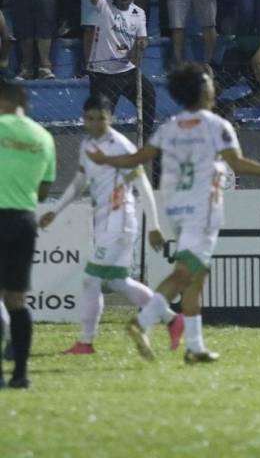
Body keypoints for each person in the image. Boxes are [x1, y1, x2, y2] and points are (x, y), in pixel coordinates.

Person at [87, 64, 260, 364]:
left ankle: (195, 347)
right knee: (185, 273)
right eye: (208, 82)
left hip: (178, 209)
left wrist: (106, 159)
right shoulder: (217, 126)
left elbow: (139, 157)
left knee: (196, 278)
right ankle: (141, 323)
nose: (213, 85)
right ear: (202, 90)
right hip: (203, 209)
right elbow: (239, 164)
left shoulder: (170, 126)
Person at [39, 95, 184, 355]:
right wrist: (56, 210)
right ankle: (173, 319)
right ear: (84, 119)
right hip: (106, 222)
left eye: (101, 119)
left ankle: (85, 341)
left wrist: (153, 225)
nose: (95, 124)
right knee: (118, 281)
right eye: (90, 118)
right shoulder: (86, 144)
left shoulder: (121, 147)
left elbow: (143, 186)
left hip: (120, 222)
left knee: (90, 280)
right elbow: (79, 183)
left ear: (111, 119)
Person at [0, 81, 55, 388]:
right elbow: (45, 190)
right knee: (17, 299)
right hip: (23, 220)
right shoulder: (44, 137)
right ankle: (21, 374)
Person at [84, 0, 155, 141]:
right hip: (104, 74)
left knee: (149, 94)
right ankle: (98, 147)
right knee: (102, 114)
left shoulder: (139, 13)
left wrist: (140, 45)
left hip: (127, 71)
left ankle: (146, 139)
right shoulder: (104, 6)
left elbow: (142, 38)